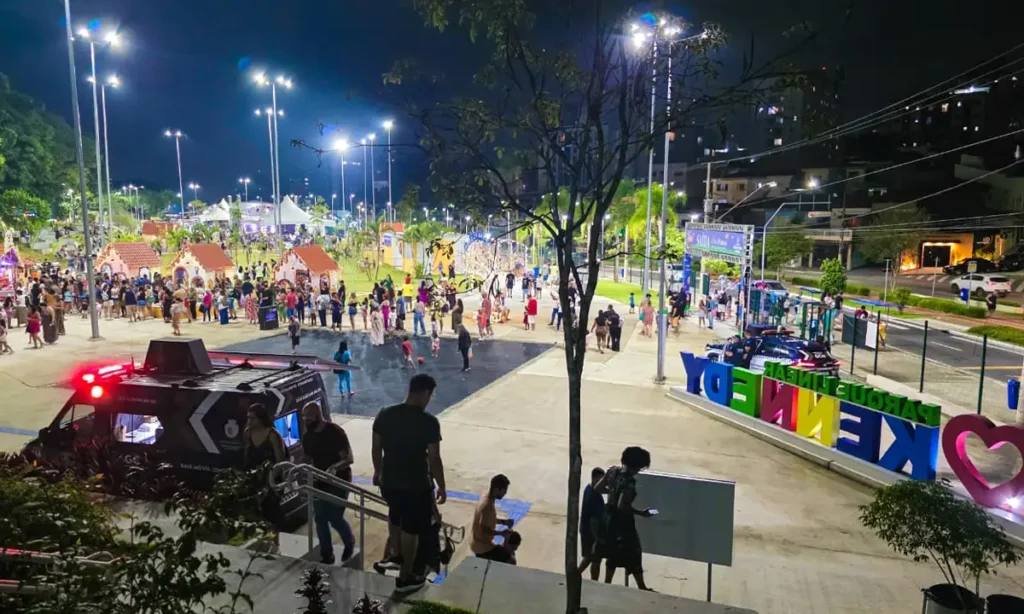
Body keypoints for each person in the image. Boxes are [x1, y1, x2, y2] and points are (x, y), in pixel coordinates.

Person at [371, 374, 447, 593]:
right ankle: (406, 577)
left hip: (389, 482)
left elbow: (376, 447)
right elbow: (434, 459)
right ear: (425, 393)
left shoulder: (385, 414)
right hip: (416, 485)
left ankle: (395, 555)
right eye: (430, 395)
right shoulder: (429, 422)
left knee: (395, 517)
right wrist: (441, 486)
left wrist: (378, 471)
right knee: (411, 530)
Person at [301, 403, 357, 565]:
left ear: (318, 415)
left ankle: (349, 541)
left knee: (334, 517)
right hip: (319, 480)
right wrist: (301, 470)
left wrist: (334, 467)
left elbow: (348, 458)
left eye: (309, 417)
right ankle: (327, 554)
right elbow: (307, 458)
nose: (306, 421)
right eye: (304, 417)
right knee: (320, 517)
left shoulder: (335, 432)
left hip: (339, 481)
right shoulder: (308, 436)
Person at [596, 446, 654, 590]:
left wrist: (613, 492)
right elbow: (623, 506)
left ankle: (607, 583)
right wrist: (642, 513)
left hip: (608, 518)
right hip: (622, 522)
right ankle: (641, 586)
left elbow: (598, 488)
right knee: (633, 552)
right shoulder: (629, 482)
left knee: (612, 552)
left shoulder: (612, 471)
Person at [242, 403, 286, 552]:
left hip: (271, 478)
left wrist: (272, 479)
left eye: (253, 418)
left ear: (261, 419)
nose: (250, 421)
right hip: (255, 477)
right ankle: (264, 538)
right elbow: (246, 454)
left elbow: (280, 460)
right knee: (256, 511)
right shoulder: (248, 433)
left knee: (272, 512)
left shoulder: (272, 435)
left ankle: (276, 543)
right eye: (248, 418)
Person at [471, 474, 515, 563]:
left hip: (478, 542)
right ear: (496, 490)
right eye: (504, 491)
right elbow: (483, 531)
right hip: (482, 547)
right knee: (511, 560)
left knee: (506, 550)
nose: (505, 494)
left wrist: (504, 522)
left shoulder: (486, 497)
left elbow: (487, 519)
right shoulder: (487, 506)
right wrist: (501, 533)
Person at [577, 467, 606, 580]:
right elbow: (593, 520)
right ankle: (593, 580)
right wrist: (597, 538)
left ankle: (577, 575)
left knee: (589, 557)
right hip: (591, 532)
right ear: (594, 479)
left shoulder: (589, 488)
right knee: (595, 559)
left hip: (586, 530)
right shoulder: (594, 496)